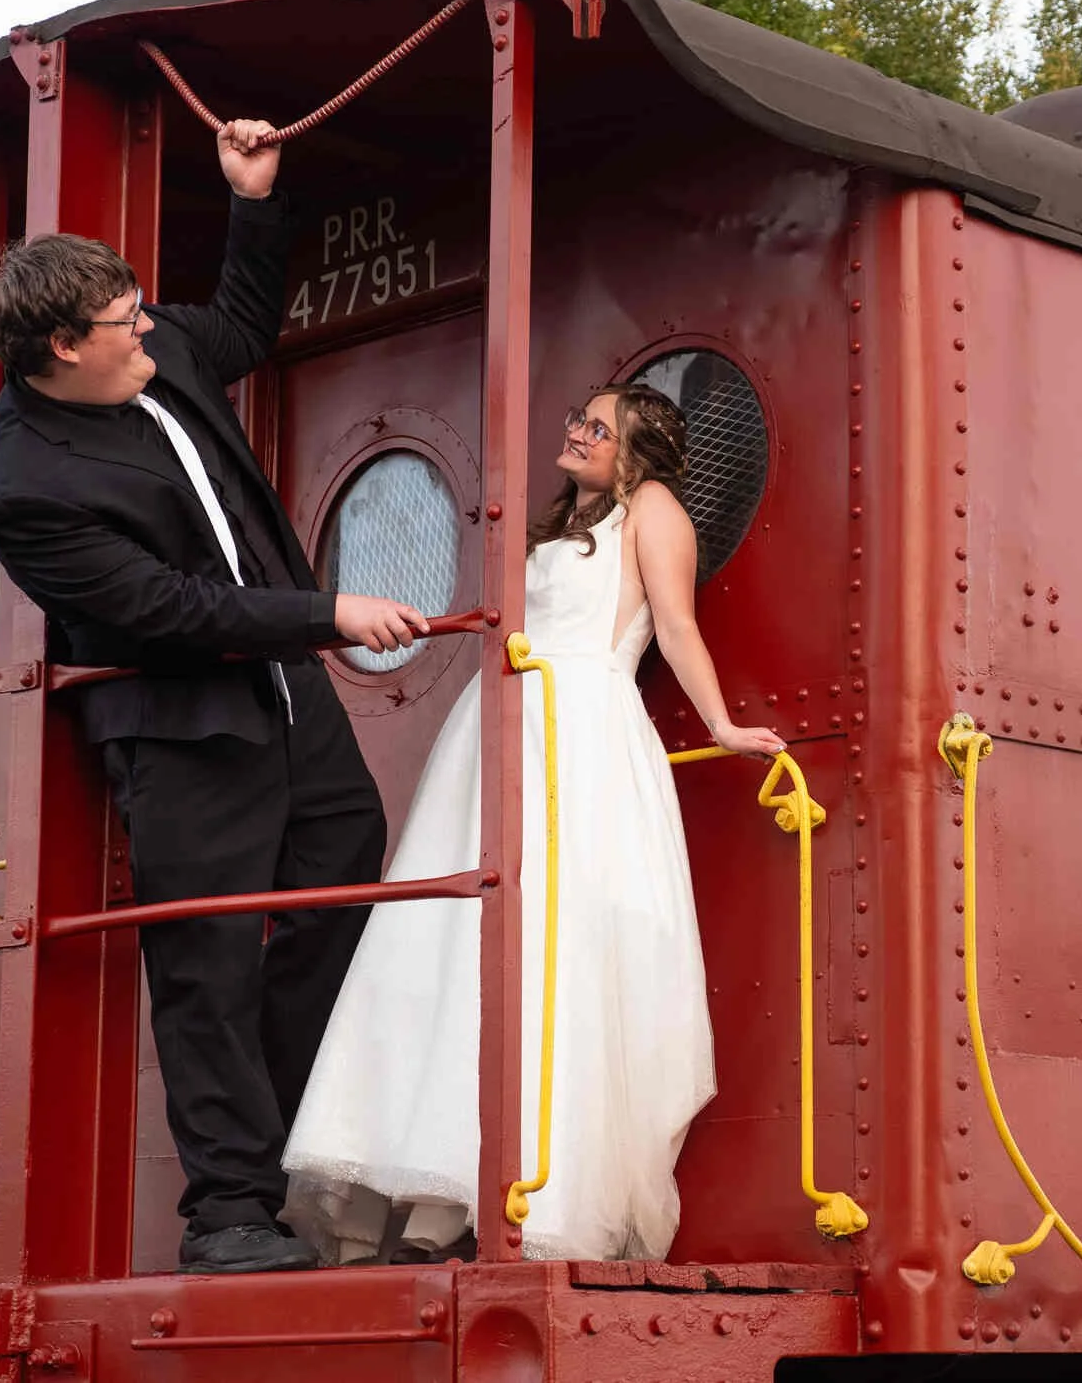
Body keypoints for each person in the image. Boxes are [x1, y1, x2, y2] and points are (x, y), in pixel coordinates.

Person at [0, 119, 429, 1275]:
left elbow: (236, 327)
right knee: (205, 961)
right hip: (180, 726)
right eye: (124, 322)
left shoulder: (154, 345)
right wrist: (327, 611)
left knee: (344, 867)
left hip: (284, 691)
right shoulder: (29, 489)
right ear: (62, 348)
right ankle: (226, 1213)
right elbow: (169, 611)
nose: (150, 329)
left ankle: (281, 1133)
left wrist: (253, 201)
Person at [282, 383, 783, 1263]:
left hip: (581, 731)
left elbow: (675, 625)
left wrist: (722, 725)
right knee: (446, 945)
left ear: (635, 452)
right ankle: (419, 1195)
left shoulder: (653, 510)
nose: (577, 432)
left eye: (598, 427)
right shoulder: (559, 522)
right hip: (498, 728)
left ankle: (475, 1208)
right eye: (580, 418)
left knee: (553, 951)